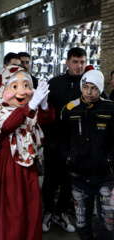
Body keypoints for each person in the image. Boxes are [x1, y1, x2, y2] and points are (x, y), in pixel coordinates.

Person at [0, 65, 55, 240]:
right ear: (0, 89)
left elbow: (46, 120)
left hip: (29, 165)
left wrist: (44, 104)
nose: (23, 92)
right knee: (12, 211)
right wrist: (30, 106)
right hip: (9, 165)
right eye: (14, 86)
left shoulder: (30, 110)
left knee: (31, 209)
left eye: (26, 85)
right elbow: (8, 125)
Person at [41, 47, 101, 233]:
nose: (79, 65)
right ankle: (48, 212)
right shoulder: (55, 83)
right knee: (50, 179)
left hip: (78, 144)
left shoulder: (90, 83)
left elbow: (104, 105)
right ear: (67, 63)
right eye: (75, 62)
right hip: (53, 142)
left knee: (70, 181)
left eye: (82, 61)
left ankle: (61, 213)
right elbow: (43, 111)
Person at [60, 70, 114, 239]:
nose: (89, 92)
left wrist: (110, 159)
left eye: (94, 88)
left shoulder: (110, 108)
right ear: (81, 87)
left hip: (105, 176)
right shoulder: (70, 109)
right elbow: (62, 139)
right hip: (79, 176)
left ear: (100, 89)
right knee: (82, 223)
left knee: (108, 223)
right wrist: (68, 157)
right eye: (85, 87)